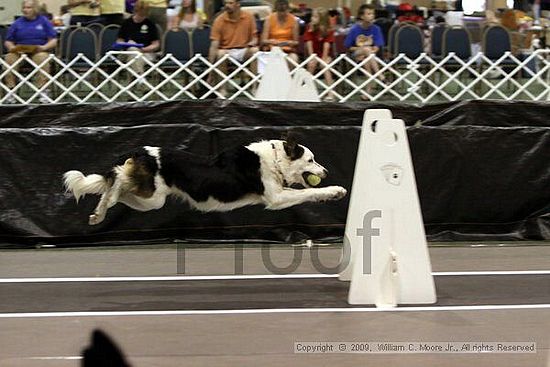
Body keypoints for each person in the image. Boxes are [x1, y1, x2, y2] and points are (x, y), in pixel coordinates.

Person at [4, 0, 57, 103]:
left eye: (29, 8)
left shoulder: (44, 21)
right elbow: (8, 41)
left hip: (38, 50)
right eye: (24, 7)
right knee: (9, 58)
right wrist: (11, 47)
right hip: (19, 51)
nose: (25, 10)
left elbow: (53, 40)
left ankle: (43, 91)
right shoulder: (17, 22)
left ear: (35, 9)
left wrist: (44, 47)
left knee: (42, 58)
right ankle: (10, 91)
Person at [209, 0, 258, 96]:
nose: (227, 6)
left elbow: (255, 38)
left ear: (238, 4)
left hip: (244, 50)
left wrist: (252, 43)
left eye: (230, 3)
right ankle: (223, 89)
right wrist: (211, 68)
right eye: (226, 3)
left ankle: (254, 87)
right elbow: (214, 44)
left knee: (255, 51)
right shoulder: (219, 20)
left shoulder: (249, 17)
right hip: (227, 51)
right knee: (220, 54)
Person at [344, 4, 385, 100]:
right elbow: (348, 47)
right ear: (362, 16)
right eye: (369, 14)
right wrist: (363, 51)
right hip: (356, 54)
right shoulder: (354, 29)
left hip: (370, 57)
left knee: (367, 60)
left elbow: (377, 46)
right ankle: (380, 75)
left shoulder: (376, 29)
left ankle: (367, 93)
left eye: (372, 14)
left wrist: (370, 52)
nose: (372, 16)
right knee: (366, 49)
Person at [117, 0, 160, 79]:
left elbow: (156, 44)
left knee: (136, 57)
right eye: (140, 14)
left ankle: (137, 78)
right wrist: (128, 44)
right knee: (133, 50)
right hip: (127, 52)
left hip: (146, 52)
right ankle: (141, 80)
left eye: (144, 14)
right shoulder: (126, 23)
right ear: (135, 11)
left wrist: (144, 49)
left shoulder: (150, 24)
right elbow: (119, 41)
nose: (141, 16)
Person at [303, 7, 335, 101]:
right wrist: (312, 56)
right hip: (314, 54)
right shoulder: (309, 28)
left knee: (325, 65)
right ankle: (306, 91)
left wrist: (323, 59)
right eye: (312, 16)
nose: (312, 18)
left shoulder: (329, 31)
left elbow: (327, 46)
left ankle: (330, 93)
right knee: (311, 64)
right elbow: (308, 44)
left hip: (326, 55)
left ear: (322, 20)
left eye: (315, 17)